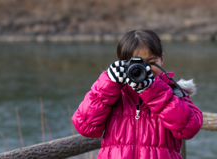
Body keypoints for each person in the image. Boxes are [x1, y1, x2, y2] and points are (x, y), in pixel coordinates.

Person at [72, 29, 203, 159]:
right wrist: (107, 84)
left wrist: (153, 91)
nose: (144, 68)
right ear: (122, 63)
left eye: (151, 62)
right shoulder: (114, 92)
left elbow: (190, 128)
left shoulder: (173, 91)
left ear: (161, 59)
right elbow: (84, 127)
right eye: (136, 63)